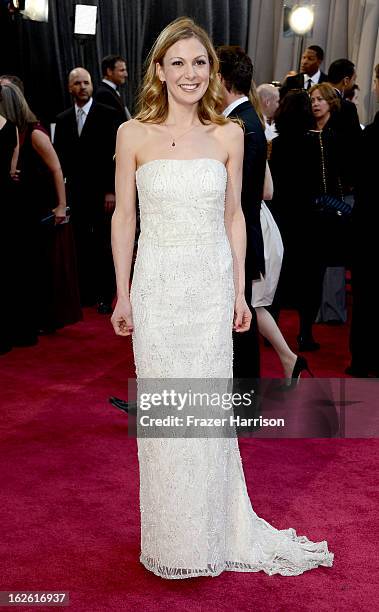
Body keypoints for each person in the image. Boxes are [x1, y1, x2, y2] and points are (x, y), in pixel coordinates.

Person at [111, 17, 333, 579]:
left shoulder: (230, 133)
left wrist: (239, 292)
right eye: (178, 62)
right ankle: (170, 539)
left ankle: (211, 530)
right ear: (158, 69)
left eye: (200, 62)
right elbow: (125, 220)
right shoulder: (132, 133)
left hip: (210, 291)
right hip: (157, 290)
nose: (190, 73)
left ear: (212, 72)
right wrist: (121, 294)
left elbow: (236, 217)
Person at [217, 46, 304, 383]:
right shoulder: (244, 120)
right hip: (245, 232)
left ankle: (242, 406)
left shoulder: (241, 125)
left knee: (241, 326)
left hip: (238, 235)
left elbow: (241, 195)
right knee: (241, 322)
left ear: (221, 80)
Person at [0, 82, 81, 342]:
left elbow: (57, 168)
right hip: (22, 207)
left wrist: (61, 205)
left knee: (36, 268)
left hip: (36, 209)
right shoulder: (15, 132)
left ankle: (40, 319)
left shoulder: (33, 132)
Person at [54, 68, 122, 312]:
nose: (82, 87)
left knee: (104, 244)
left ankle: (106, 296)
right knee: (81, 244)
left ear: (92, 85)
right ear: (69, 87)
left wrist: (111, 190)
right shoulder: (62, 120)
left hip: (103, 194)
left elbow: (116, 157)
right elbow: (60, 159)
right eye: (77, 83)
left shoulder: (109, 115)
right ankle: (86, 294)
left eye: (86, 82)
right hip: (76, 193)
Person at [348, 64, 379, 376]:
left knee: (366, 297)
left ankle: (362, 360)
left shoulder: (370, 135)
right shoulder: (368, 134)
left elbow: (356, 178)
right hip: (368, 228)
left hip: (369, 229)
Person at [94, 55, 131, 122]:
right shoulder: (103, 94)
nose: (126, 75)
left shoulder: (110, 91)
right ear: (109, 71)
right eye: (122, 70)